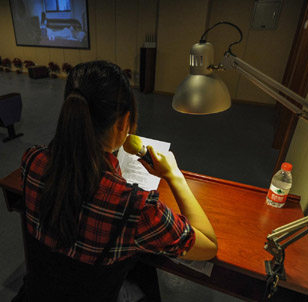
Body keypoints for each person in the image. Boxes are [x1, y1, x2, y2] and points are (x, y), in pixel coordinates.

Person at [16, 61, 218, 301]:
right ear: (123, 123)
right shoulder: (136, 208)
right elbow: (207, 246)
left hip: (38, 293)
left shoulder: (32, 160)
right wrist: (174, 175)